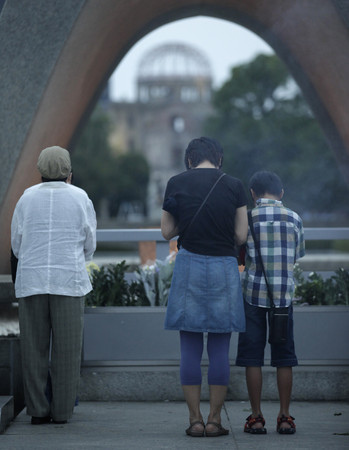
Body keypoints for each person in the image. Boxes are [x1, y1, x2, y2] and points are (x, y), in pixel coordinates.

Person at [161, 137, 248, 437]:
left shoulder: (176, 182)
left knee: (190, 347)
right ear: (219, 159)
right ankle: (214, 421)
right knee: (220, 348)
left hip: (189, 266)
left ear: (189, 160)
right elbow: (240, 236)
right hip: (224, 267)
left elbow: (166, 231)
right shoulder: (235, 185)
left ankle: (194, 420)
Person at [11, 146, 96, 425]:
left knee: (33, 350)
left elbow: (16, 244)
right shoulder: (80, 197)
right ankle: (62, 412)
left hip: (32, 280)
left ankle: (37, 411)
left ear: (39, 170)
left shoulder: (26, 198)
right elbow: (89, 244)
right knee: (67, 351)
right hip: (68, 281)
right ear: (68, 171)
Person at [236, 171, 305, 435]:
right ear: (282, 193)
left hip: (253, 296)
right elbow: (296, 255)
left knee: (253, 358)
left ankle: (256, 417)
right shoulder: (295, 219)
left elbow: (240, 250)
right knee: (284, 357)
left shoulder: (249, 218)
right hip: (283, 300)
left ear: (252, 194)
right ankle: (285, 417)